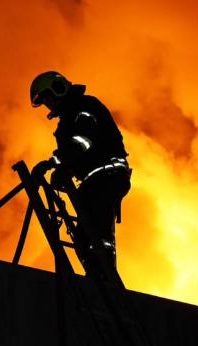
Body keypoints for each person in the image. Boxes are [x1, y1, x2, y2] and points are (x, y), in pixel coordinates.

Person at [29, 71, 131, 268]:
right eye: (44, 102)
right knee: (83, 240)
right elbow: (77, 154)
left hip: (107, 175)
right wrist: (63, 170)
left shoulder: (84, 107)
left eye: (48, 98)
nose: (48, 105)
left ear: (58, 90)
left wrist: (53, 163)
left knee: (99, 237)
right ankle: (95, 276)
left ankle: (104, 276)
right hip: (94, 180)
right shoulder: (67, 119)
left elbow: (83, 141)